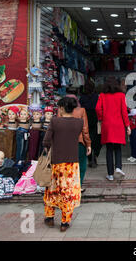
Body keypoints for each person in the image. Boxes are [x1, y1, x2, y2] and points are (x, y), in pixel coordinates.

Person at [43, 96, 84, 232]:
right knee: (68, 192)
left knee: (52, 189)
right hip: (72, 163)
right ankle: (64, 222)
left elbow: (46, 141)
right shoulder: (79, 122)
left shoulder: (55, 122)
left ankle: (49, 217)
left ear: (61, 108)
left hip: (56, 162)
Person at [96, 77, 131, 181]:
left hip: (107, 125)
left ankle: (110, 174)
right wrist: (127, 126)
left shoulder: (102, 95)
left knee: (109, 149)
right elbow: (124, 112)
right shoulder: (121, 95)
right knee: (118, 147)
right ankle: (118, 167)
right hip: (119, 125)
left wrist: (102, 117)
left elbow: (97, 108)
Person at [64, 94, 92, 193]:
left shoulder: (61, 110)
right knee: (81, 165)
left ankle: (68, 186)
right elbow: (85, 129)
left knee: (67, 165)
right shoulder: (81, 111)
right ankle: (78, 186)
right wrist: (88, 144)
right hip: (79, 142)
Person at [79, 80, 100, 168]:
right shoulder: (96, 97)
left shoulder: (82, 97)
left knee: (86, 136)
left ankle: (89, 157)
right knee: (95, 137)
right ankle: (94, 155)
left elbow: (80, 108)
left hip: (85, 117)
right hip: (95, 117)